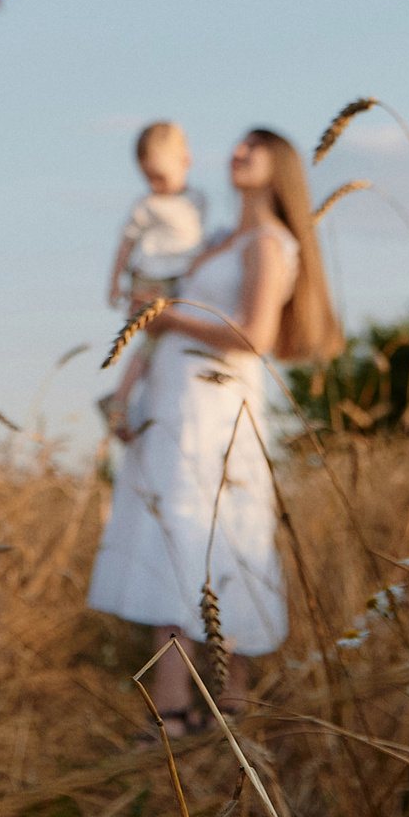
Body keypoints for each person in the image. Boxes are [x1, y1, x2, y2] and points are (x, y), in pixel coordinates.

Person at [85, 128, 343, 739]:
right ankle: (194, 704)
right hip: (172, 403)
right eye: (235, 148)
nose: (237, 154)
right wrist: (129, 395)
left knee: (217, 534)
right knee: (172, 536)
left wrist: (164, 312)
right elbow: (166, 323)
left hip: (215, 409)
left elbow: (253, 334)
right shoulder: (219, 238)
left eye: (252, 149)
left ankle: (216, 703)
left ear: (279, 167)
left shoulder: (268, 242)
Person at [102, 121, 207, 428]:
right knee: (150, 344)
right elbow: (125, 245)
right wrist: (114, 282)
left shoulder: (197, 199)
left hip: (182, 279)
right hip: (151, 278)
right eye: (148, 177)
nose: (154, 185)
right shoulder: (147, 205)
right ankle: (119, 400)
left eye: (159, 177)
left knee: (176, 340)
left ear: (185, 161)